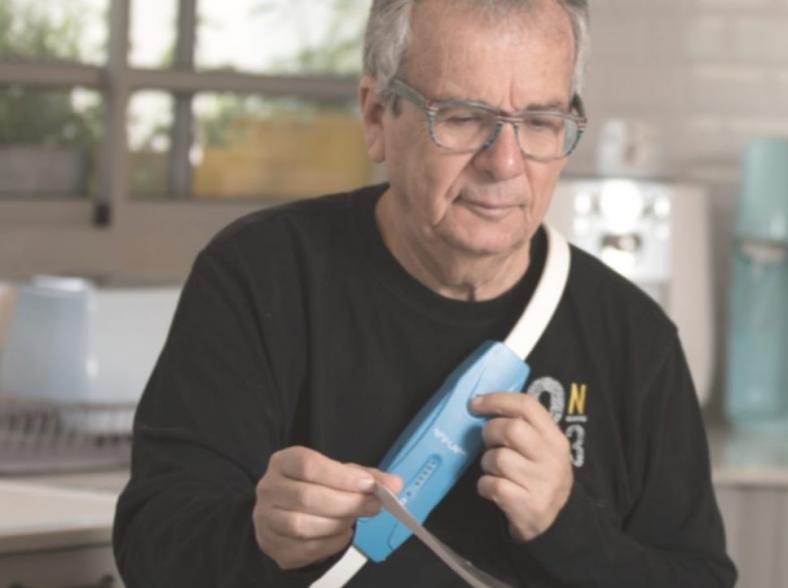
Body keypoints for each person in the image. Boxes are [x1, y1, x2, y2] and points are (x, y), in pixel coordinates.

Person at [113, 0, 737, 586]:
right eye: (463, 118)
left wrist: (567, 526)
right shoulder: (260, 275)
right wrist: (257, 535)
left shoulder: (634, 336)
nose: (504, 163)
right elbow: (150, 542)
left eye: (540, 122)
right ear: (376, 117)